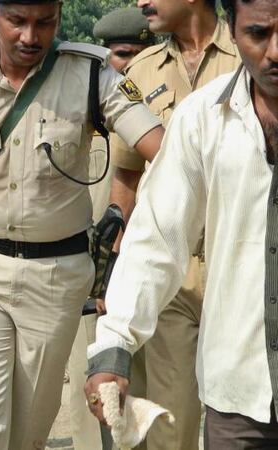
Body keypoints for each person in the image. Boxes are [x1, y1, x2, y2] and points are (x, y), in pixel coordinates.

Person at [0, 0, 165, 448]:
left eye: (44, 22)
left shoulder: (92, 76)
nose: (30, 37)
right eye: (17, 21)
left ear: (58, 14)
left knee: (27, 435)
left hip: (56, 280)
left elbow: (164, 151)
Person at [85, 0, 278, 447]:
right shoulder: (202, 118)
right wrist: (115, 343)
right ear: (234, 26)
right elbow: (156, 235)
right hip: (240, 391)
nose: (275, 52)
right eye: (258, 34)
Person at [107, 1, 241, 448]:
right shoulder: (141, 71)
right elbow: (127, 175)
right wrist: (116, 272)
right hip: (172, 274)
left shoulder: (251, 53)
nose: (142, 2)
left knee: (245, 415)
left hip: (239, 267)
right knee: (170, 420)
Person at [66, 7, 155, 450]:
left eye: (140, 55)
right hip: (92, 271)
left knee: (143, 381)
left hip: (147, 267)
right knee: (91, 377)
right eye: (122, 56)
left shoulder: (153, 122)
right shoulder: (81, 114)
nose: (130, 67)